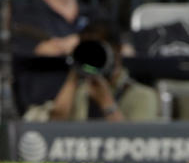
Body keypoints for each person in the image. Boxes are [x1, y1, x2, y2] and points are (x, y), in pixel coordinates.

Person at [27, 23, 161, 122]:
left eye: (98, 54)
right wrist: (74, 73)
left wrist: (107, 103)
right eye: (88, 53)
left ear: (117, 51)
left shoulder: (143, 96)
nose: (93, 59)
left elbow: (136, 145)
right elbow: (52, 128)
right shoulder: (75, 93)